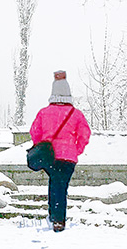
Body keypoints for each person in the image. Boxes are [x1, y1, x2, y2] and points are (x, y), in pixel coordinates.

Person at [29, 70, 91, 232]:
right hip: (69, 158)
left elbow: (34, 132)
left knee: (55, 184)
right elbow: (85, 134)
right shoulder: (76, 114)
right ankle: (57, 219)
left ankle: (55, 217)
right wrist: (76, 149)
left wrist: (42, 146)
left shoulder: (44, 112)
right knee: (60, 186)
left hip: (50, 157)